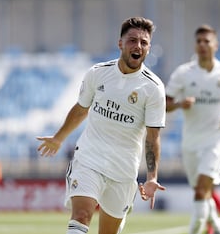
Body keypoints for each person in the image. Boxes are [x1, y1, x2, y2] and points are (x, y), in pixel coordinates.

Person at [37, 16, 166, 234]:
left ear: (149, 48)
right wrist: (59, 138)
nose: (138, 46)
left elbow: (152, 138)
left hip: (123, 169)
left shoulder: (153, 88)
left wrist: (152, 177)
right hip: (89, 158)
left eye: (144, 43)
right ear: (120, 43)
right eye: (132, 40)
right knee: (81, 216)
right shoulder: (98, 73)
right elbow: (80, 109)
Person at [165, 24, 220, 234]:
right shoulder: (183, 73)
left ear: (215, 45)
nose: (201, 45)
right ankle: (218, 225)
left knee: (201, 191)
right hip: (190, 143)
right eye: (198, 41)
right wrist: (180, 104)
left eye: (206, 41)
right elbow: (165, 103)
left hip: (216, 141)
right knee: (201, 193)